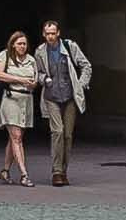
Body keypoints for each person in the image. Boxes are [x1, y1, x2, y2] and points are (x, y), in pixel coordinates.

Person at [32, 18, 92, 187]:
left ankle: (64, 171)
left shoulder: (69, 47)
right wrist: (45, 79)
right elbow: (37, 73)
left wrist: (80, 84)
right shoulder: (40, 52)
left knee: (68, 135)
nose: (50, 36)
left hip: (70, 97)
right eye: (47, 33)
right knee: (57, 131)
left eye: (53, 33)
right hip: (51, 97)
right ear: (44, 34)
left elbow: (86, 65)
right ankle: (57, 172)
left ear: (58, 33)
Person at [0, 31, 39, 186]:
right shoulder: (4, 55)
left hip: (26, 100)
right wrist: (20, 79)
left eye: (24, 44)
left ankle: (5, 171)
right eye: (19, 43)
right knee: (16, 137)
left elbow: (35, 80)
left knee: (14, 139)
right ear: (13, 44)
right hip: (11, 99)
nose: (22, 46)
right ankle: (24, 174)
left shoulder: (31, 60)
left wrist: (32, 83)